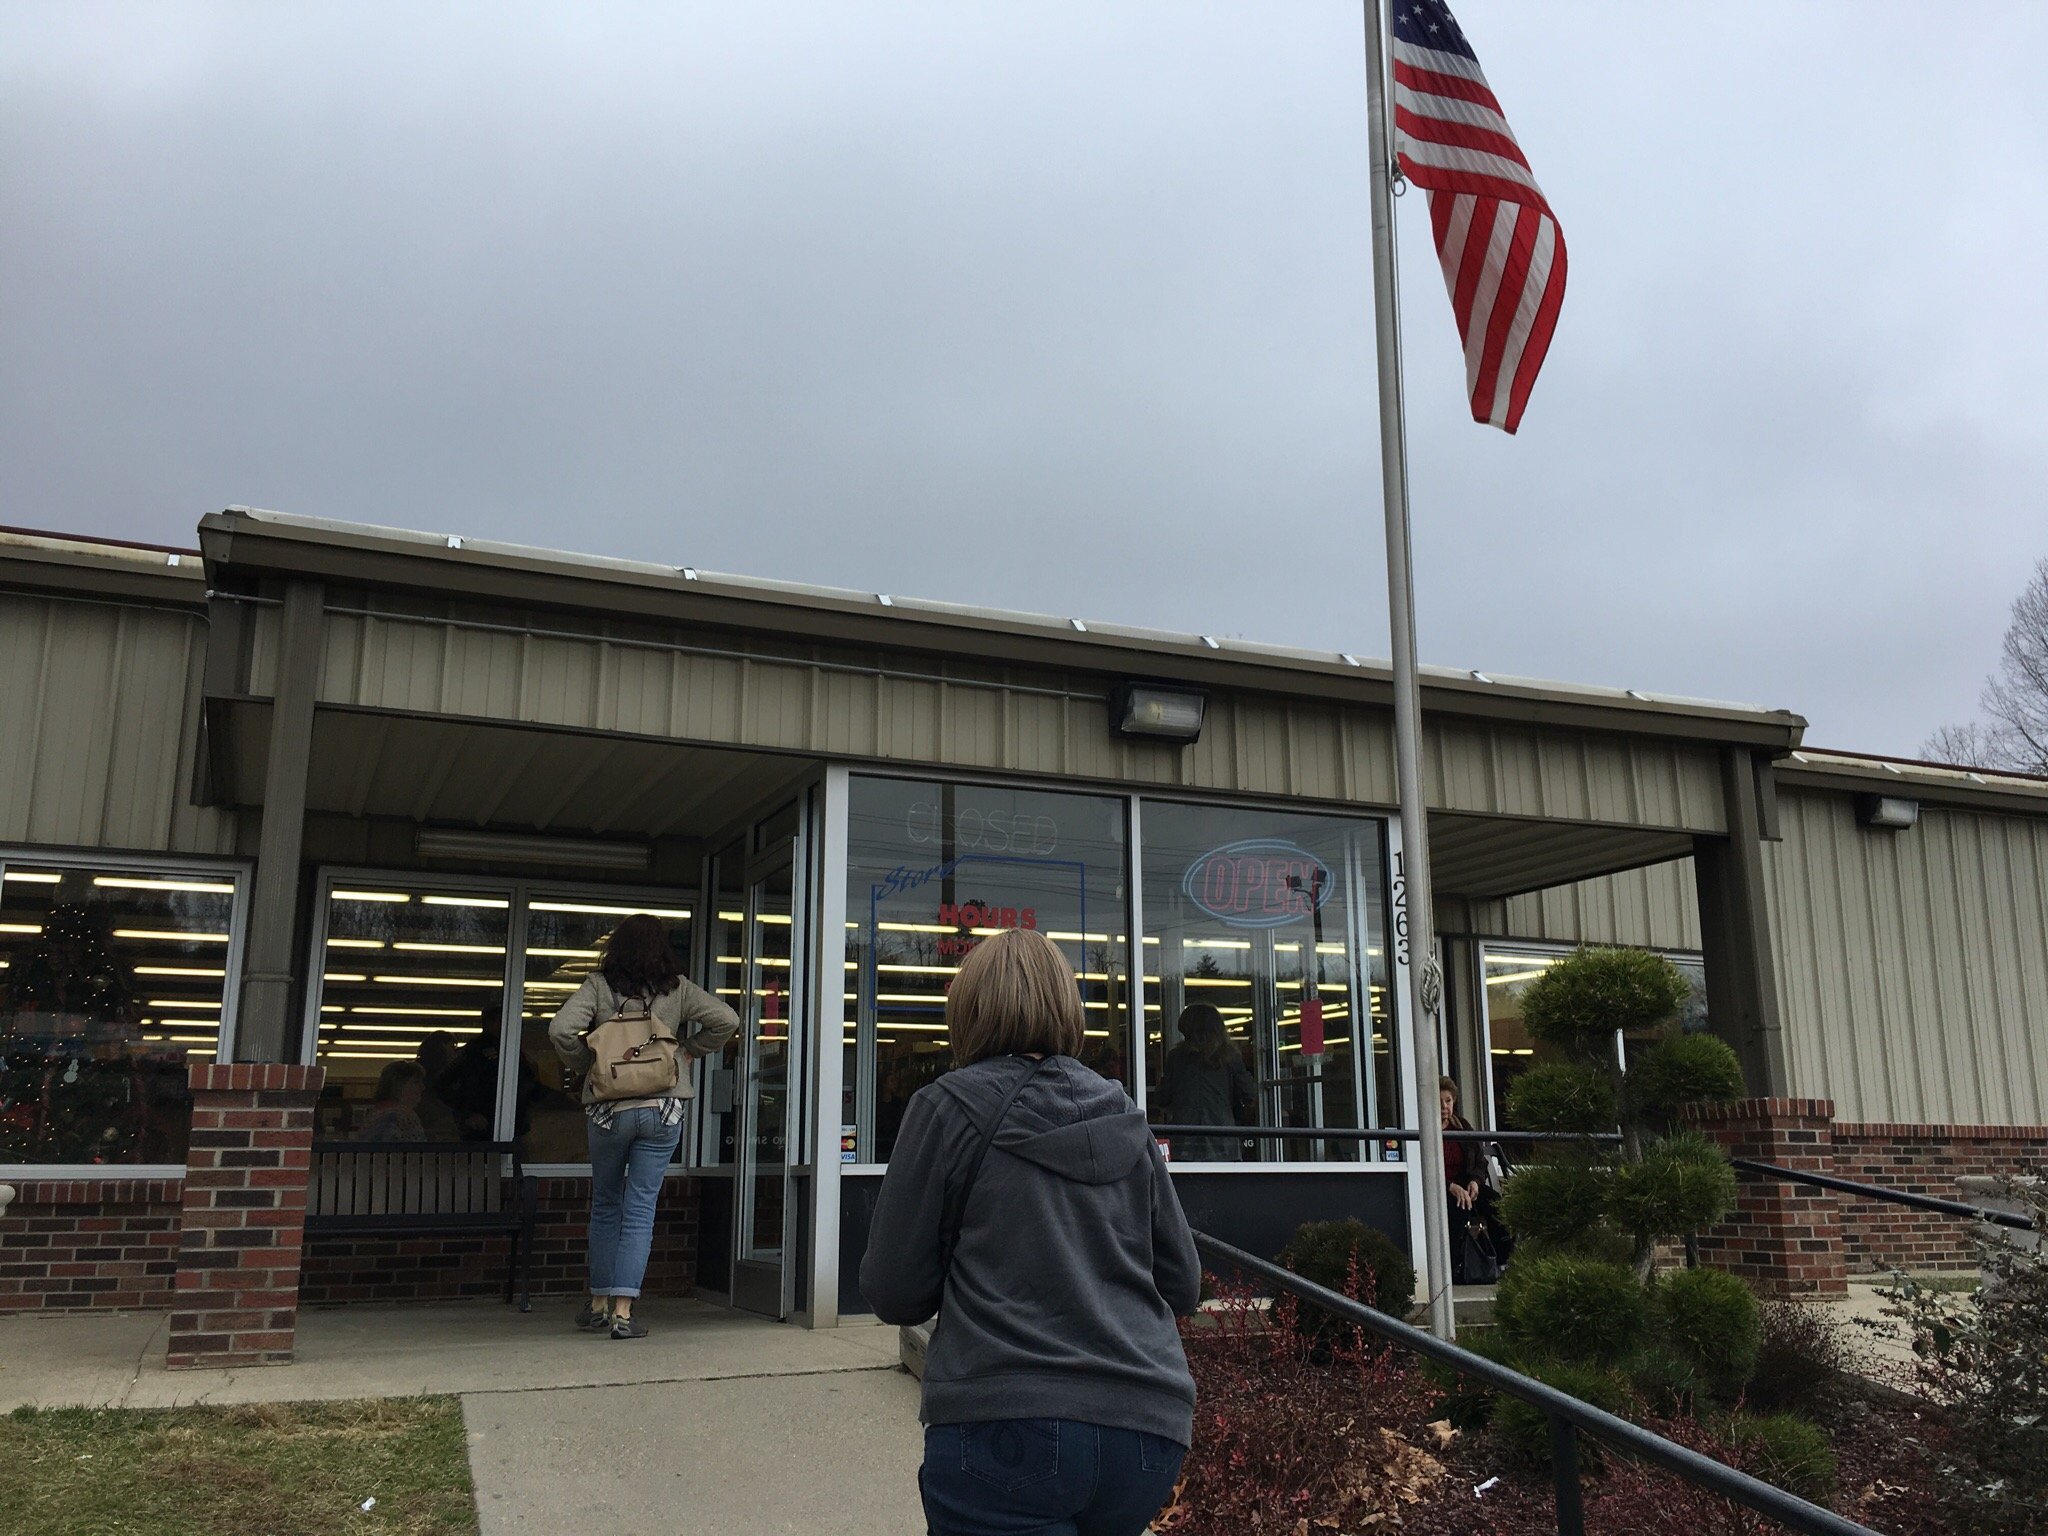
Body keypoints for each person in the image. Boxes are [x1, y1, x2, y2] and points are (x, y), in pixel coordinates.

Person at [861, 927, 1201, 1536]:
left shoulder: (945, 1108)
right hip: (1146, 1435)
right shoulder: (1125, 1113)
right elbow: (1183, 1282)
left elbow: (893, 1290)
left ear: (968, 1011)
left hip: (1003, 1428)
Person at [548, 915, 737, 1340]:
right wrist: (686, 1053)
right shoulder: (678, 988)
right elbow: (726, 1019)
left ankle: (597, 1304)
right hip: (661, 1111)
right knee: (640, 1210)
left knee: (606, 1205)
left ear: (614, 948)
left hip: (609, 1112)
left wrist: (588, 1066)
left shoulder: (599, 985)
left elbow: (560, 1029)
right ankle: (624, 1312)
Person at [1154, 1002, 1256, 1161]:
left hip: (1184, 1141)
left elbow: (1163, 1097)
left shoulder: (1177, 1058)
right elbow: (1249, 1093)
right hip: (1223, 1139)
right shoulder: (1230, 1057)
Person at [1440, 1076, 1510, 1282]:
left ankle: (1501, 1261)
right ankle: (1455, 1268)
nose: (1444, 1106)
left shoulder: (1462, 1126)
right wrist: (1450, 1187)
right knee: (1458, 1208)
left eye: (1448, 1101)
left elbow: (1480, 1161)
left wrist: (1475, 1182)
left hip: (1467, 1186)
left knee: (1495, 1203)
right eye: (1439, 1102)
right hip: (1440, 1189)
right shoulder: (1425, 1131)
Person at [359, 1062, 428, 1142]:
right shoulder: (403, 1116)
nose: (422, 1087)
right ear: (398, 1086)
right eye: (416, 1082)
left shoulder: (376, 1114)